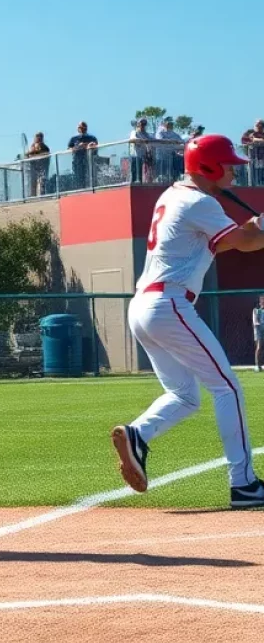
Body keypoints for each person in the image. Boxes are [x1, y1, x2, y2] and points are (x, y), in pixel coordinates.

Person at [112, 134, 264, 509]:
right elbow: (245, 242)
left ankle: (138, 435)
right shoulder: (200, 200)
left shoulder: (174, 195)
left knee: (184, 396)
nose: (232, 170)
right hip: (169, 303)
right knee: (227, 388)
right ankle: (243, 484)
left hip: (146, 306)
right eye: (227, 165)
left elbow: (229, 241)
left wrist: (257, 225)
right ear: (209, 166)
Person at [67, 122, 98, 189]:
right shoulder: (73, 138)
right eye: (80, 127)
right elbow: (69, 149)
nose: (81, 129)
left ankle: (91, 189)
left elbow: (96, 147)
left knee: (90, 175)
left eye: (83, 127)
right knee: (78, 176)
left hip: (89, 160)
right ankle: (80, 189)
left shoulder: (92, 137)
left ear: (86, 128)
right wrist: (77, 147)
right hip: (77, 161)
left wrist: (89, 145)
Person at [128, 118, 153, 185]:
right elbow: (133, 138)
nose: (143, 126)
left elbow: (152, 139)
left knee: (143, 174)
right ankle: (134, 184)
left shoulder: (146, 134)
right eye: (142, 124)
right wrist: (142, 140)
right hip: (135, 157)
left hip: (144, 157)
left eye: (144, 124)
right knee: (135, 175)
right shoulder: (134, 132)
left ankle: (142, 184)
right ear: (138, 124)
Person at [253, 297, 264, 373]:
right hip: (258, 330)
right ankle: (257, 365)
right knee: (259, 347)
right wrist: (259, 324)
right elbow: (255, 322)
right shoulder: (256, 310)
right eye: (262, 301)